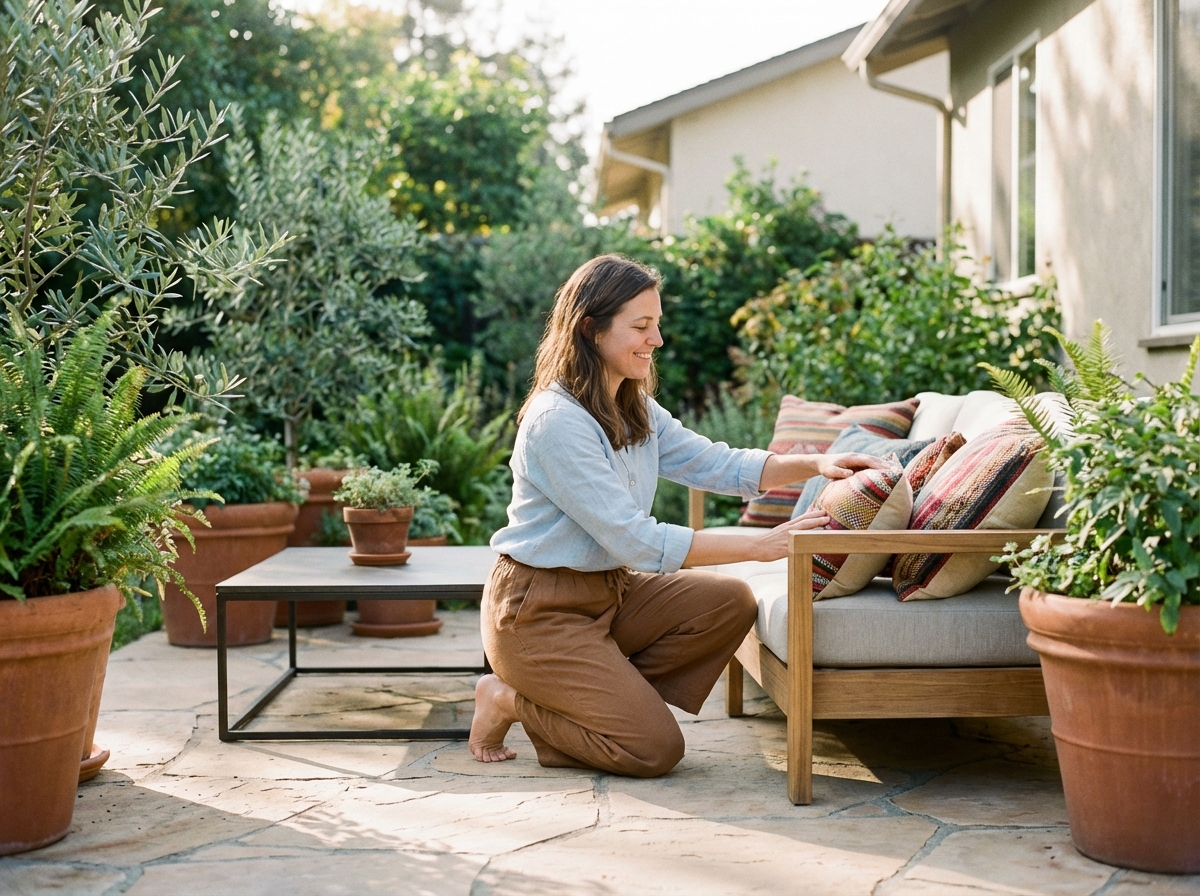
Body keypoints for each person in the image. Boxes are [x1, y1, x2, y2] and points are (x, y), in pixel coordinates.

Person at [469, 254, 884, 776]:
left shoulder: (630, 403)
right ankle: (507, 698)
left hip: (608, 592)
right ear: (590, 330)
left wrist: (816, 463)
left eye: (657, 325)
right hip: (538, 610)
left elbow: (715, 462)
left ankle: (599, 697)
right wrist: (758, 545)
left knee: (729, 601)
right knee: (653, 749)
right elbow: (635, 541)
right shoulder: (556, 423)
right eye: (641, 327)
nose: (657, 340)